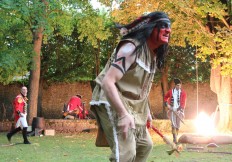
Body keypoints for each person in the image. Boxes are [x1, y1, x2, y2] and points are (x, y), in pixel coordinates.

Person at [90, 11, 171, 162]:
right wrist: (122, 114)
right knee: (126, 152)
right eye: (163, 26)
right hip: (110, 97)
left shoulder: (152, 55)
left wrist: (146, 112)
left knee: (144, 146)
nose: (168, 30)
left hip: (134, 105)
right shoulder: (131, 49)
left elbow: (142, 88)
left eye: (169, 26)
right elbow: (108, 82)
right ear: (151, 28)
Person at [164, 78, 187, 144]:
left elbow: (183, 103)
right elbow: (165, 97)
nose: (178, 86)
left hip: (179, 110)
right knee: (173, 125)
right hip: (172, 110)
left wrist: (179, 109)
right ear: (175, 85)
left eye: (179, 85)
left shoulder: (183, 93)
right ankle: (175, 139)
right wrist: (167, 104)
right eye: (177, 85)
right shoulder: (170, 92)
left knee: (178, 125)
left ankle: (176, 136)